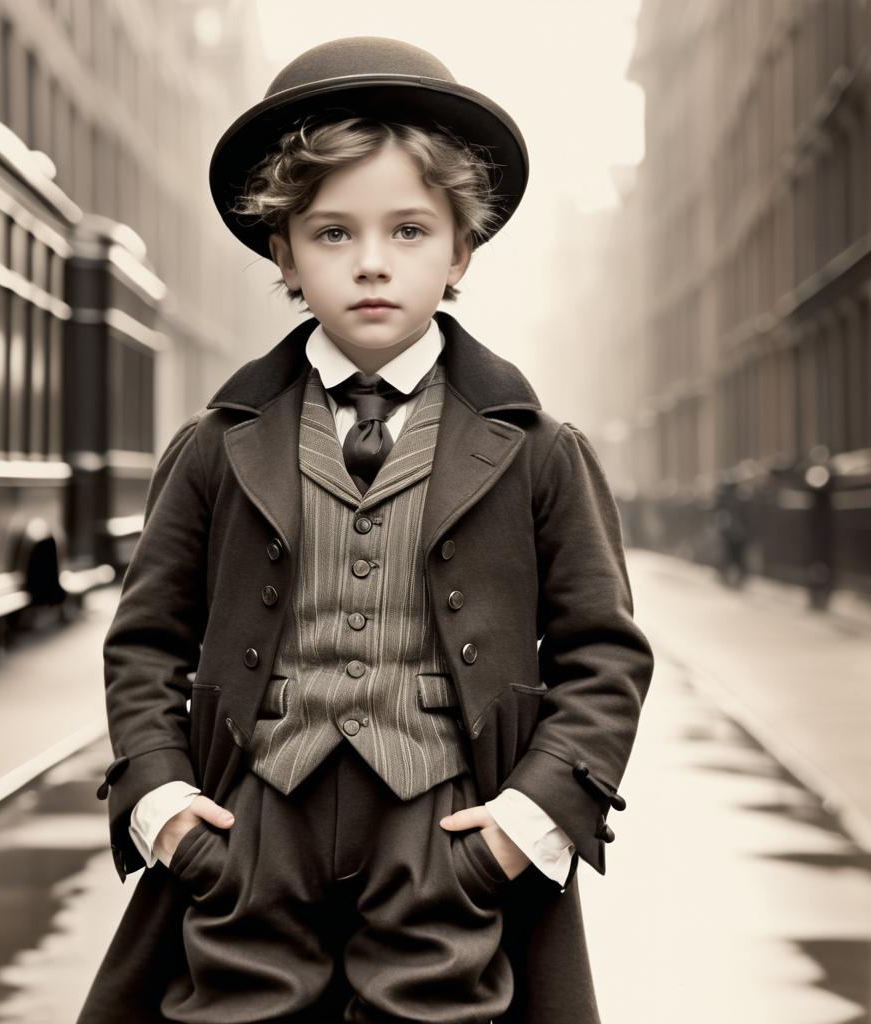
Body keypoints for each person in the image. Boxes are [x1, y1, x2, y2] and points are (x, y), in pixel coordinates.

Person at [77, 36, 655, 1024]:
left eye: (409, 230)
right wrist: (169, 810)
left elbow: (603, 654)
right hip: (248, 839)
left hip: (451, 840)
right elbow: (145, 644)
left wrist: (515, 831)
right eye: (333, 233)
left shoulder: (537, 451)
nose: (373, 263)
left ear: (461, 248)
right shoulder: (215, 448)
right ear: (284, 251)